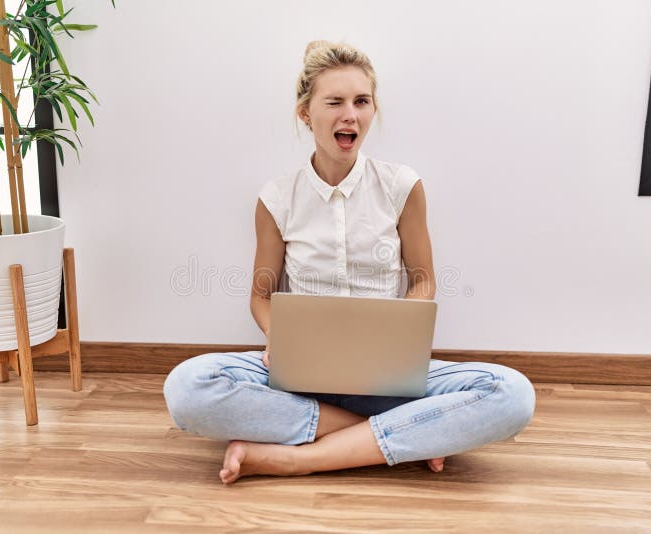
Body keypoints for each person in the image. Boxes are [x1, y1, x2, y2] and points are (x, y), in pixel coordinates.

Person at [163, 40, 536, 485]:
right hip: (300, 378)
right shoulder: (277, 198)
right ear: (306, 113)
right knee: (187, 387)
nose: (351, 115)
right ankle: (403, 436)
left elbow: (423, 281)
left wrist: (401, 334)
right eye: (335, 102)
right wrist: (279, 336)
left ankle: (298, 458)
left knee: (512, 394)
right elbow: (261, 295)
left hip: (387, 378)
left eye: (362, 101)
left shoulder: (402, 186)